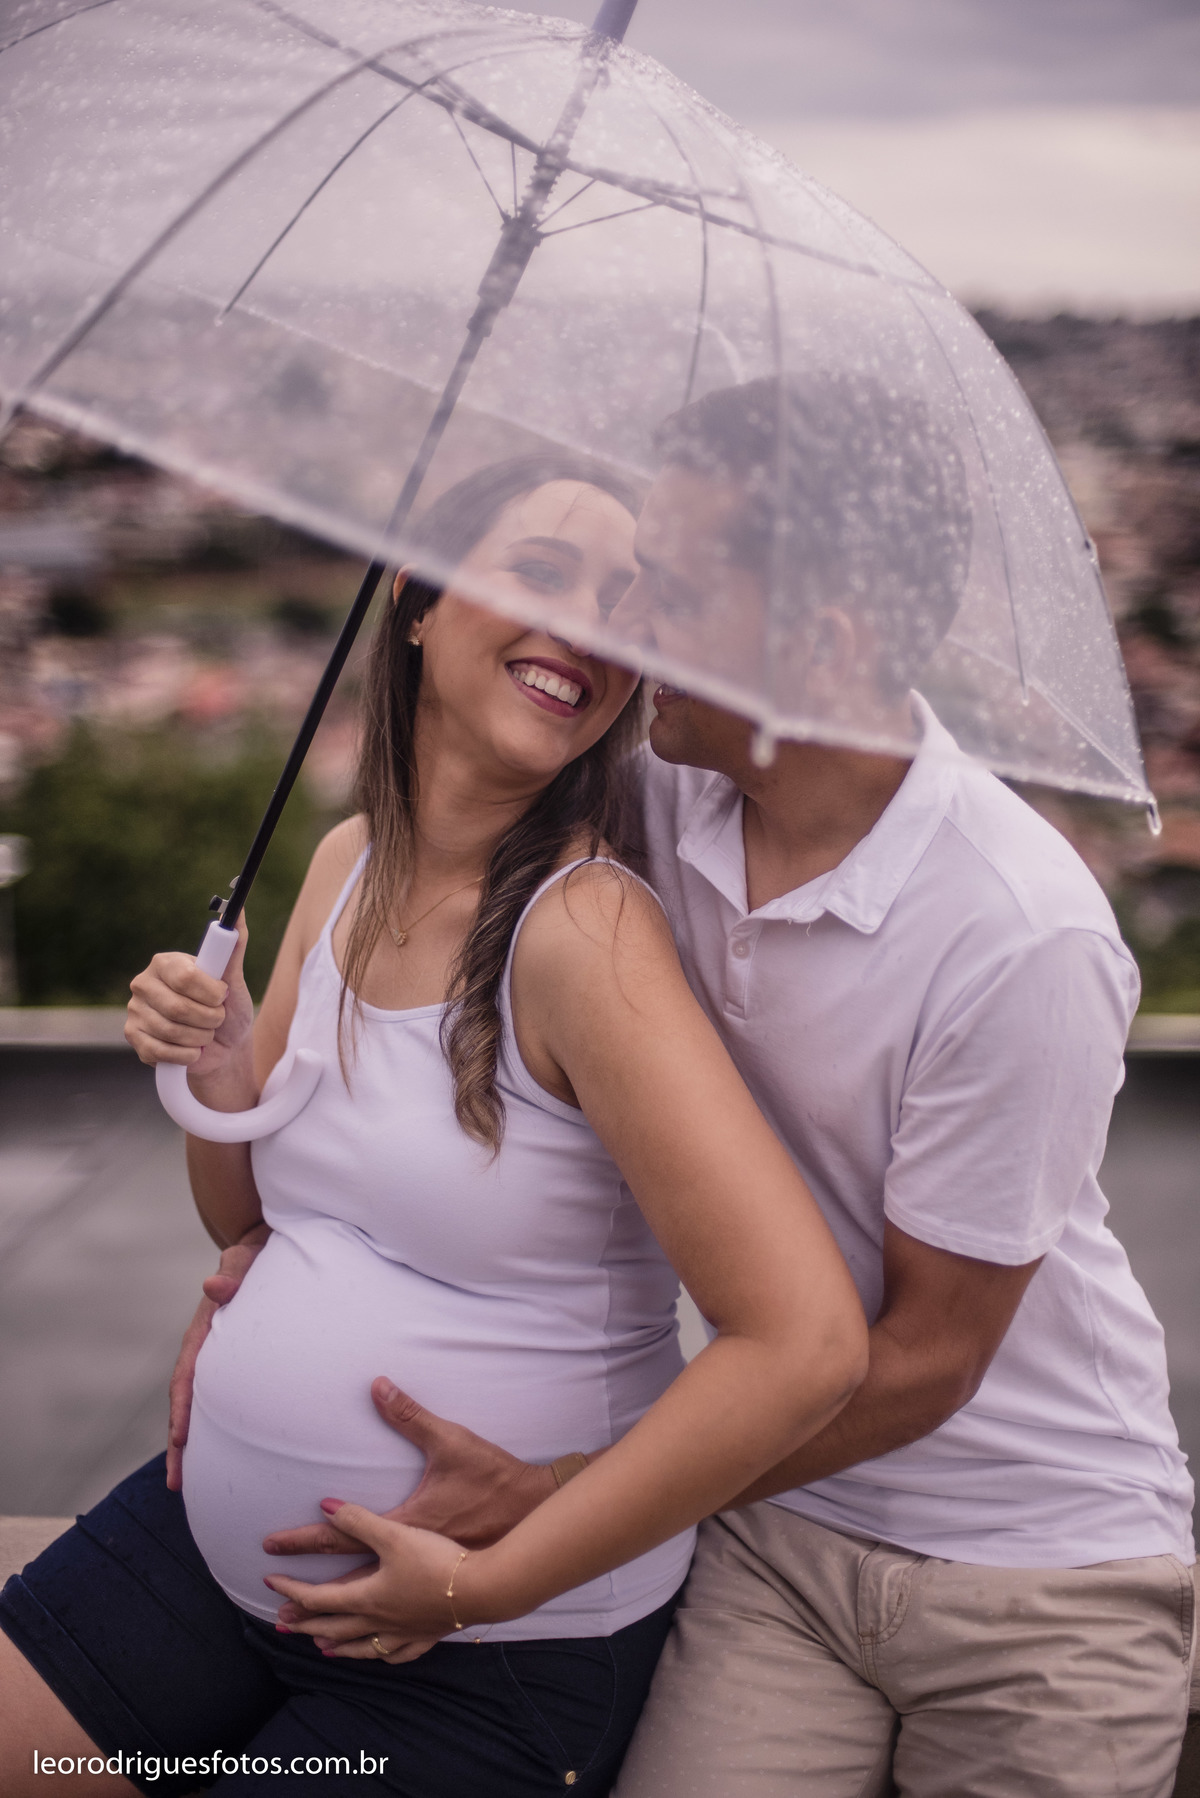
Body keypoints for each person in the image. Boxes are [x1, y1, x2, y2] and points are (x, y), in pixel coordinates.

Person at [204, 376, 1195, 1797]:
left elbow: (927, 1355)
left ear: (828, 641)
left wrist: (555, 1499)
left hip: (1040, 1569)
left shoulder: (1019, 929)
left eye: (671, 589)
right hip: (769, 1536)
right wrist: (252, 1273)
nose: (624, 628)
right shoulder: (655, 804)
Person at [0, 453, 868, 1798]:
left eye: (622, 604)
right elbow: (246, 1214)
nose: (582, 628)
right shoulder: (351, 862)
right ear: (411, 593)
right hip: (221, 1565)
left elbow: (805, 1341)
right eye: (541, 571)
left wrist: (480, 1578)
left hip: (483, 1647)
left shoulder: (583, 934)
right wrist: (226, 1066)